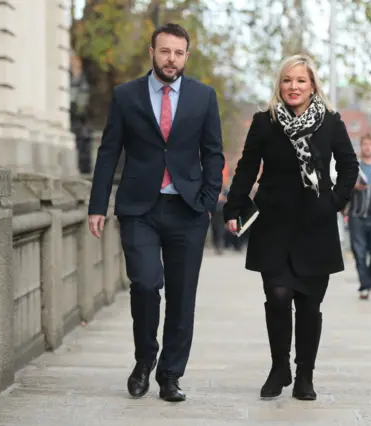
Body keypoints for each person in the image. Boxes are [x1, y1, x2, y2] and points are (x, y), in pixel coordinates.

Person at [87, 23, 224, 403]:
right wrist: (98, 205)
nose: (172, 59)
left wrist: (208, 199)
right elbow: (108, 152)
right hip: (139, 209)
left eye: (179, 53)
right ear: (152, 52)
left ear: (186, 56)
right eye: (165, 51)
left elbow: (213, 152)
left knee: (182, 296)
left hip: (187, 209)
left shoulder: (203, 97)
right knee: (146, 285)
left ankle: (170, 375)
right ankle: (144, 359)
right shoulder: (126, 95)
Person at [223, 54, 358, 401]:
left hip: (316, 225)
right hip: (273, 225)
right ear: (279, 85)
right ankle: (279, 366)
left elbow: (349, 165)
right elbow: (247, 167)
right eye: (287, 80)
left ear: (312, 85)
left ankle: (305, 377)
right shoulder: (264, 122)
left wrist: (334, 202)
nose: (293, 87)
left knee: (309, 306)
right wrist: (234, 206)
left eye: (300, 80)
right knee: (279, 296)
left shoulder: (330, 122)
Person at [346, 133, 371, 300]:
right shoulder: (353, 168)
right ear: (360, 147)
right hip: (356, 216)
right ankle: (365, 286)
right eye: (365, 144)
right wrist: (352, 186)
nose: (368, 147)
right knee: (359, 253)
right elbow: (342, 188)